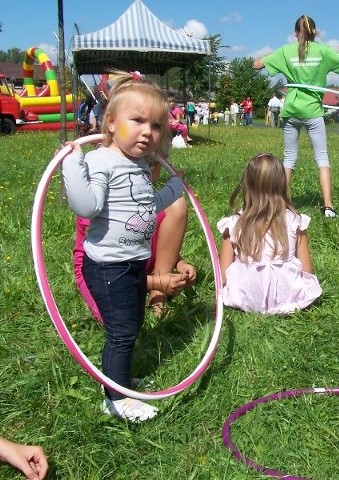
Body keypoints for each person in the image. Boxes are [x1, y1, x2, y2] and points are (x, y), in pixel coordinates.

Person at [61, 71, 185, 422]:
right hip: (107, 266)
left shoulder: (138, 165)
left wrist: (173, 191)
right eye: (139, 121)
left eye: (157, 125)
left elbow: (143, 208)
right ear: (111, 123)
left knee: (130, 326)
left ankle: (120, 381)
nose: (149, 131)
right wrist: (73, 162)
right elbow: (87, 206)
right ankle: (115, 398)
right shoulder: (101, 160)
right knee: (122, 331)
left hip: (131, 262)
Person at [253, 14, 339, 219]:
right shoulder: (324, 51)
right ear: (315, 32)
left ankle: (278, 205)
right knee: (322, 157)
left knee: (289, 158)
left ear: (295, 33)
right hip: (313, 110)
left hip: (291, 110)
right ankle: (328, 207)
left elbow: (256, 64)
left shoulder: (286, 51)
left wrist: (279, 54)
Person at [73, 163, 196, 320]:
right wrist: (155, 282)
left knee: (175, 203)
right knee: (119, 321)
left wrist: (179, 263)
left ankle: (158, 296)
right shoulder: (105, 200)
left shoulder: (142, 198)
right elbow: (108, 265)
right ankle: (154, 285)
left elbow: (147, 235)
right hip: (100, 270)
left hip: (138, 257)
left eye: (155, 161)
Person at [217, 153, 322, 314]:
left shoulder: (233, 224)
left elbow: (222, 274)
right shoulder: (295, 221)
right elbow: (307, 271)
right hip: (286, 295)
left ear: (247, 185)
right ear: (281, 185)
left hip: (245, 295)